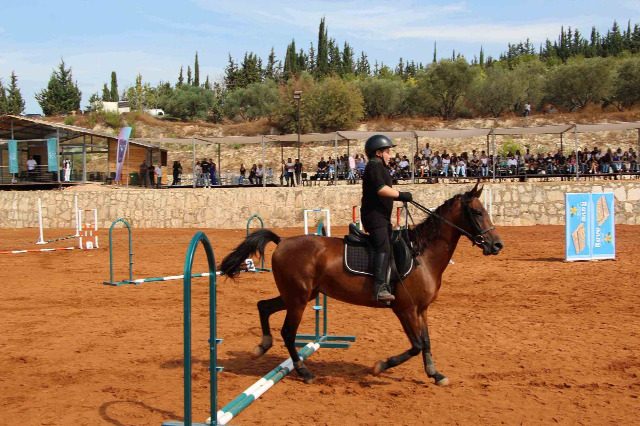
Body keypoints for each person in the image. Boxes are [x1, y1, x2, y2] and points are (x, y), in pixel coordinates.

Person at [361, 134, 413, 304]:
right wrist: (401, 195)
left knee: (389, 246)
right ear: (378, 152)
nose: (390, 155)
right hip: (374, 217)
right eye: (388, 151)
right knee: (383, 247)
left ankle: (388, 283)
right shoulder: (373, 167)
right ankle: (379, 288)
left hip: (382, 218)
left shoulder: (381, 168)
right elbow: (381, 189)